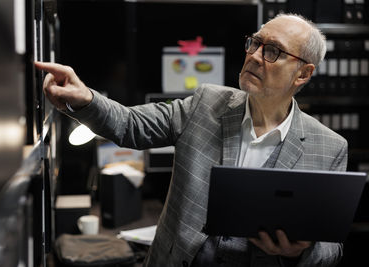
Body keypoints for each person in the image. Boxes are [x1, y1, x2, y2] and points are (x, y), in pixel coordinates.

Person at [36, 13, 347, 267]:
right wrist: (85, 99)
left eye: (272, 51)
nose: (253, 56)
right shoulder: (206, 103)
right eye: (254, 43)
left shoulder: (329, 147)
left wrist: (298, 252)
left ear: (303, 74)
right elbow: (130, 124)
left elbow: (330, 248)